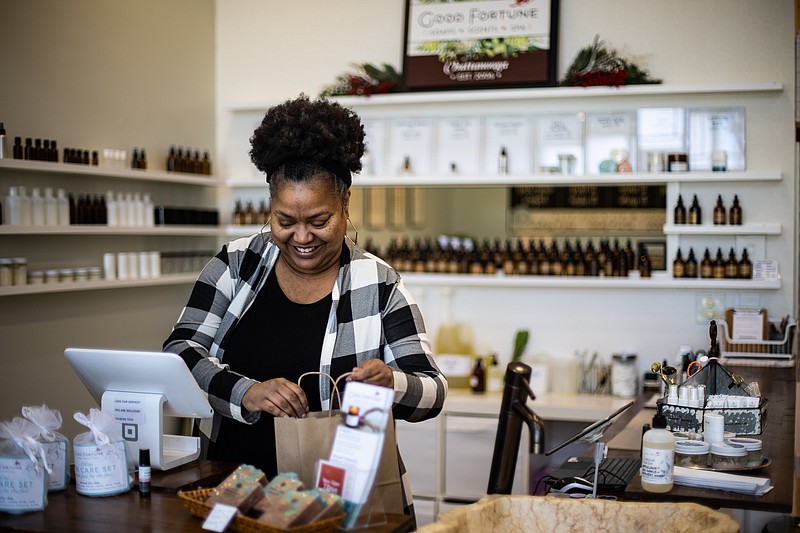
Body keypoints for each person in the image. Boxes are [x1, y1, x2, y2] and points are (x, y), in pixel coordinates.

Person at [163, 94, 447, 517]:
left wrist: (392, 383)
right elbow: (179, 352)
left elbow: (434, 391)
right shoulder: (234, 265)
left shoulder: (378, 284)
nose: (302, 237)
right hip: (231, 493)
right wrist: (248, 392)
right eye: (285, 221)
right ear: (269, 208)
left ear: (345, 203)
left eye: (318, 221)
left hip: (339, 504)